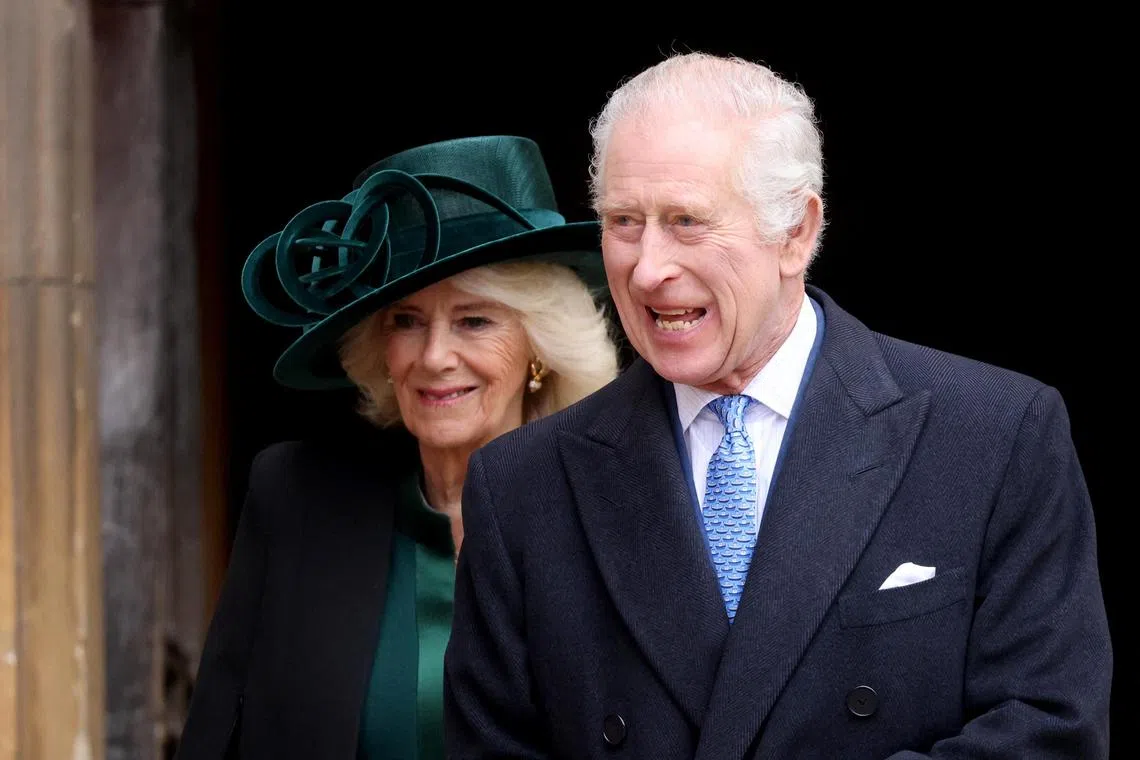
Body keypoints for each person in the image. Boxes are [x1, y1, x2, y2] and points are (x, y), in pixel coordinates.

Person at [443, 53, 1112, 758]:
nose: (647, 268)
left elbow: (1048, 730)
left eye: (687, 221)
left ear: (796, 231)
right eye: (624, 221)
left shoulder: (994, 435)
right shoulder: (521, 486)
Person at [174, 135, 621, 759]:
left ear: (538, 347)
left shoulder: (619, 515)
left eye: (475, 320)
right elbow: (214, 741)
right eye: (406, 321)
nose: (435, 357)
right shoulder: (296, 499)